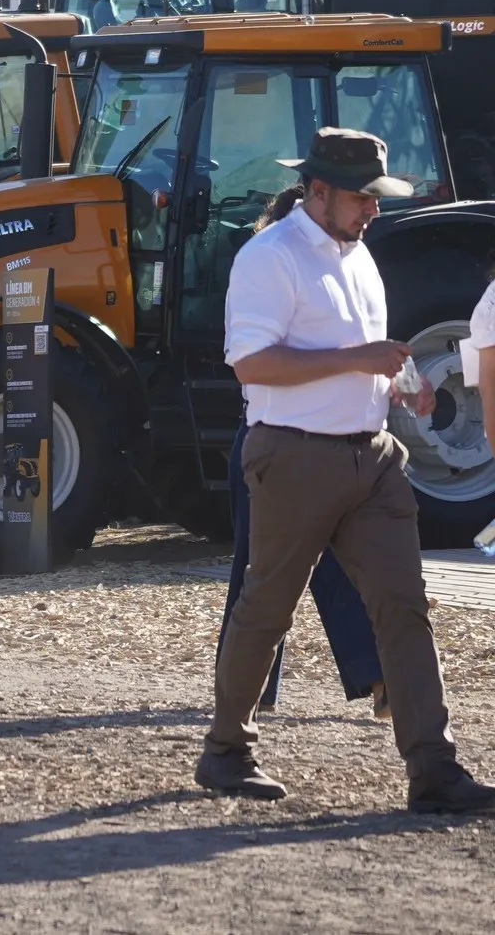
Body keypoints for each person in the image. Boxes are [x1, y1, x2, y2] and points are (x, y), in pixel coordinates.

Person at [199, 127, 495, 812]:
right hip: (293, 454)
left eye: (377, 197)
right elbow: (252, 364)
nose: (374, 210)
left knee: (404, 605)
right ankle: (225, 750)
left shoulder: (359, 254)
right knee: (268, 608)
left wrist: (405, 386)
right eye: (363, 198)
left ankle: (433, 770)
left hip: (373, 455)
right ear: (319, 191)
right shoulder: (268, 258)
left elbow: (370, 351)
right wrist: (358, 363)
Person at [215, 185, 386, 720]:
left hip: (331, 441)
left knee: (276, 569)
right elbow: (253, 360)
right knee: (267, 572)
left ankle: (376, 678)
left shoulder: (350, 261)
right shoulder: (271, 259)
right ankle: (247, 696)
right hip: (277, 439)